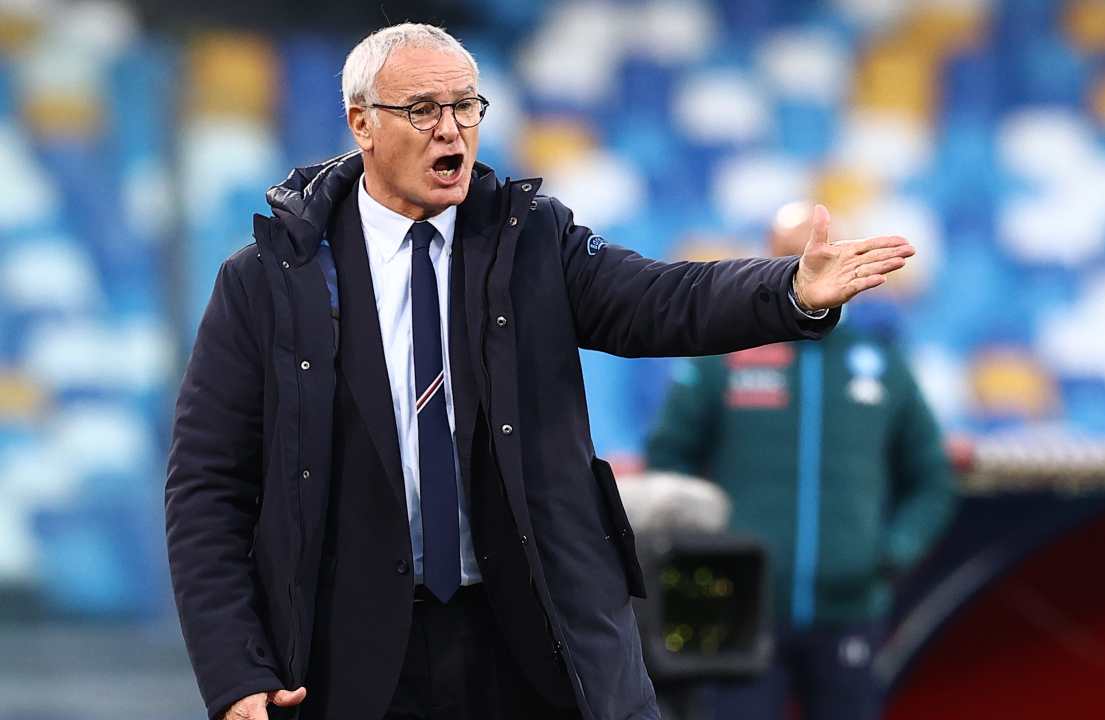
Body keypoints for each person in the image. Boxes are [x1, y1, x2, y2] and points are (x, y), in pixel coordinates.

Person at [164, 23, 916, 720]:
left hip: (529, 642)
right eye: (422, 110)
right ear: (362, 123)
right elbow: (206, 486)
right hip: (349, 658)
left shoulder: (531, 240)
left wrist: (789, 290)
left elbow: (660, 299)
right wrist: (236, 671)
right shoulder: (269, 281)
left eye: (465, 106)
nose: (451, 128)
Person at [645, 202, 955, 720]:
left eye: (819, 251)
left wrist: (890, 551)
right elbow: (668, 462)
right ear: (768, 257)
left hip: (850, 610)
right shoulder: (724, 353)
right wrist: (706, 558)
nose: (807, 263)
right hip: (738, 610)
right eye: (790, 253)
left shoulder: (881, 363)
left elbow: (931, 477)